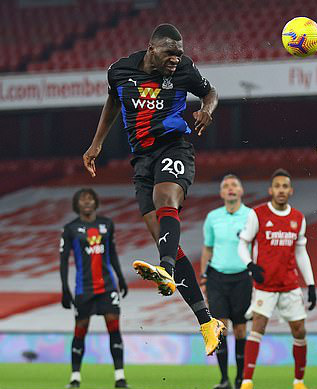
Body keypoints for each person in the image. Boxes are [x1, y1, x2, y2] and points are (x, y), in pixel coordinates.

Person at [82, 23, 224, 356]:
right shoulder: (119, 71)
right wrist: (96, 144)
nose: (176, 59)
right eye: (170, 53)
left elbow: (210, 92)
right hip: (142, 160)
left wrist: (207, 110)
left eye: (179, 52)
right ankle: (207, 322)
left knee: (166, 200)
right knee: (163, 236)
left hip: (174, 147)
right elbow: (112, 103)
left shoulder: (185, 71)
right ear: (151, 49)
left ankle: (167, 271)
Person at [237, 169, 317, 389]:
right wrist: (250, 265)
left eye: (285, 186)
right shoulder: (258, 214)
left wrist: (310, 284)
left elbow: (301, 252)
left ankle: (299, 381)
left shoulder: (298, 218)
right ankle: (247, 381)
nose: (281, 190)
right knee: (258, 327)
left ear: (290, 191)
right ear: (270, 190)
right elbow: (243, 242)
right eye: (277, 186)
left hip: (289, 284)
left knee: (299, 330)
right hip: (265, 285)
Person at [60, 188, 129, 388]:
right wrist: (64, 288)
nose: (87, 202)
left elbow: (113, 253)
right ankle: (75, 378)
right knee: (80, 330)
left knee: (114, 328)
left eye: (90, 198)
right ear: (77, 204)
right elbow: (63, 261)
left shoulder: (107, 225)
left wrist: (121, 278)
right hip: (84, 289)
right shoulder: (70, 229)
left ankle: (120, 377)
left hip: (108, 286)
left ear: (96, 202)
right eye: (83, 199)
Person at [201, 174, 253, 389]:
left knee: (240, 330)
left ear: (241, 191)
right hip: (217, 278)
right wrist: (204, 277)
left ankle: (241, 378)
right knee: (220, 329)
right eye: (226, 186)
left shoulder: (251, 216)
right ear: (221, 193)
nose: (230, 188)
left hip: (242, 278)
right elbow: (208, 248)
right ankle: (224, 380)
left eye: (234, 185)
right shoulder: (213, 217)